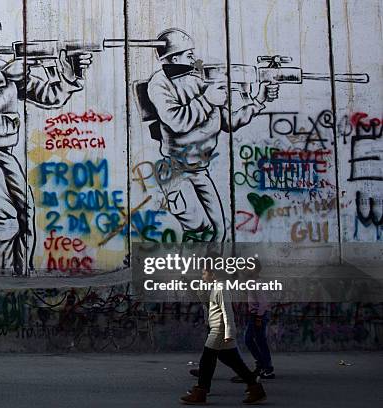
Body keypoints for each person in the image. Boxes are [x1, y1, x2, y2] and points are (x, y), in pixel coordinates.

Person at [0, 10, 92, 275]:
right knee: (4, 218)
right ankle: (3, 279)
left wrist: (69, 76)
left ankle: (21, 276)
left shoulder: (3, 64)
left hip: (3, 151)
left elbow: (48, 95)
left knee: (25, 216)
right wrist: (4, 76)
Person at [147, 28, 279, 242]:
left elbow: (228, 122)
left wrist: (257, 101)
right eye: (188, 54)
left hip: (200, 170)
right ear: (173, 57)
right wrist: (207, 100)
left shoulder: (198, 79)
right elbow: (177, 121)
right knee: (201, 231)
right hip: (176, 171)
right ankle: (189, 274)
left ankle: (208, 275)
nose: (194, 58)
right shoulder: (160, 83)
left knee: (219, 233)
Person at [181, 267, 267, 405]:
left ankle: (201, 391)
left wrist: (229, 333)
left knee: (206, 360)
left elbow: (227, 312)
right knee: (234, 362)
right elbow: (210, 305)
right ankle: (255, 388)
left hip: (219, 331)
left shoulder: (221, 288)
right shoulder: (216, 287)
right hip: (217, 329)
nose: (202, 276)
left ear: (213, 274)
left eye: (204, 273)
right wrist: (199, 291)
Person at [234, 260, 275, 381]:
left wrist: (258, 317)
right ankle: (264, 366)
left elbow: (263, 303)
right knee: (256, 340)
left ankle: (265, 367)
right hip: (257, 315)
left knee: (252, 340)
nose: (246, 269)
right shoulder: (253, 282)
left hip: (258, 316)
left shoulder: (257, 283)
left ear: (256, 269)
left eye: (249, 267)